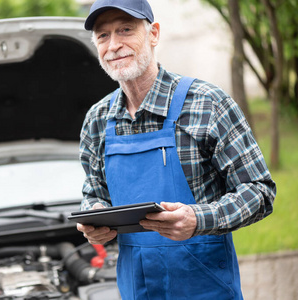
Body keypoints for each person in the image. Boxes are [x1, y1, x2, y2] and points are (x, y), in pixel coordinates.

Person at [76, 0, 276, 299]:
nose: (114, 45)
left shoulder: (207, 103)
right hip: (136, 289)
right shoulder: (97, 120)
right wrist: (94, 217)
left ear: (153, 34)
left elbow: (259, 191)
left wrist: (199, 219)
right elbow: (95, 192)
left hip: (205, 287)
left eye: (126, 30)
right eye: (103, 36)